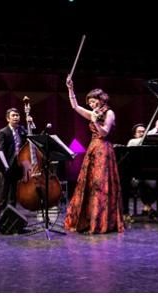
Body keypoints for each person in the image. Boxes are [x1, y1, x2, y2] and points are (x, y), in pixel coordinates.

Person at [63, 76, 124, 234]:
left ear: (101, 99)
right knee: (90, 185)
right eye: (89, 103)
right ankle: (88, 219)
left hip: (104, 150)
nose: (91, 105)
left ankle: (101, 222)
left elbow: (104, 133)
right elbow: (75, 107)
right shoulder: (93, 113)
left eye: (93, 102)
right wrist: (70, 88)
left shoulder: (109, 113)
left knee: (101, 185)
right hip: (93, 150)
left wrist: (96, 121)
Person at [0, 107, 30, 215]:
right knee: (4, 189)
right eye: (13, 116)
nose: (16, 117)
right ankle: (2, 212)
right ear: (8, 119)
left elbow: (31, 138)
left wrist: (31, 123)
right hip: (7, 164)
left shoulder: (22, 130)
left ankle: (12, 211)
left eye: (17, 115)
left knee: (14, 190)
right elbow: (1, 150)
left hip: (18, 164)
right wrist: (2, 166)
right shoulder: (3, 132)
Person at [126, 120, 158, 218]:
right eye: (140, 132)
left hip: (149, 173)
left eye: (144, 131)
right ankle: (148, 207)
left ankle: (147, 207)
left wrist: (156, 128)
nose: (142, 133)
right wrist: (156, 128)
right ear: (134, 134)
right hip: (135, 175)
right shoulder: (132, 142)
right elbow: (140, 141)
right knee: (143, 182)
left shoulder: (148, 142)